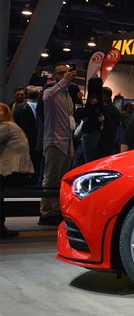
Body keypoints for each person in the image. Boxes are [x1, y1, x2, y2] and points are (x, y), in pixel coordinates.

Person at [39, 64, 78, 226]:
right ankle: (45, 212)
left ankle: (56, 210)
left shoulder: (67, 96)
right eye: (61, 73)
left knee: (61, 180)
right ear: (55, 75)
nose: (65, 75)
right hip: (54, 142)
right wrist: (62, 82)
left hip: (67, 143)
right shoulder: (50, 92)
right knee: (50, 179)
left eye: (67, 72)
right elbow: (46, 99)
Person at [1, 103, 35, 238]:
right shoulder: (13, 126)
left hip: (13, 173)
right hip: (20, 173)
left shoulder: (6, 126)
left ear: (6, 114)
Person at [12, 86, 39, 171]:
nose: (20, 96)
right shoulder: (42, 107)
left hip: (24, 138)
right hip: (33, 139)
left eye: (21, 94)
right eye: (18, 94)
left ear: (26, 95)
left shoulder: (19, 108)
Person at [98, 86, 123, 158]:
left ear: (103, 95)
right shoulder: (116, 110)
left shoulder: (101, 108)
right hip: (111, 142)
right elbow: (118, 127)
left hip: (100, 141)